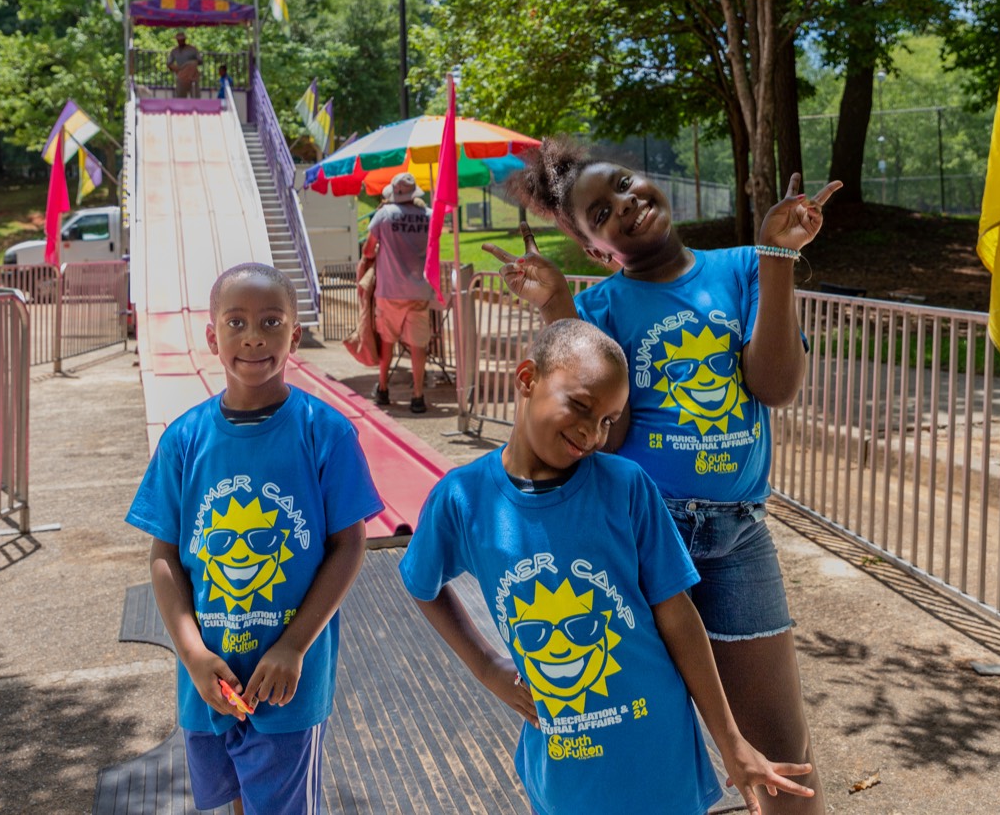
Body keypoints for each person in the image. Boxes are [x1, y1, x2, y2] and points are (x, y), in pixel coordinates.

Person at [482, 136, 841, 814]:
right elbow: (601, 439)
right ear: (594, 249)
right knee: (639, 750)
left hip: (738, 542)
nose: (624, 204)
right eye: (599, 214)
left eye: (623, 183)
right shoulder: (601, 312)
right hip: (640, 545)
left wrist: (780, 258)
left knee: (782, 761)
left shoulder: (743, 268)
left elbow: (774, 385)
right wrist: (560, 309)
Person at [400, 319, 813, 815]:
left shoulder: (627, 486)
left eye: (608, 421)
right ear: (527, 378)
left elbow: (678, 616)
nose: (592, 433)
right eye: (580, 406)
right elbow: (422, 582)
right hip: (564, 765)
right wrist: (486, 666)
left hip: (659, 753)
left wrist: (730, 739)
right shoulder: (462, 499)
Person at [125, 262, 384, 814]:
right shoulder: (184, 440)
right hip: (208, 683)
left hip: (287, 682)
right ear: (213, 335)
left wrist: (294, 645)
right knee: (236, 803)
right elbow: (165, 556)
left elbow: (349, 544)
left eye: (271, 322)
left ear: (295, 333)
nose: (253, 337)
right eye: (237, 322)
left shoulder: (326, 432)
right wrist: (192, 653)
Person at [360, 171, 435, 413]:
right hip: (419, 291)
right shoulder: (429, 216)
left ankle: (382, 388)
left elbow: (369, 250)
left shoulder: (384, 215)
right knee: (418, 345)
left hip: (389, 290)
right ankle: (418, 395)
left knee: (387, 340)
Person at [167, 31, 203, 97]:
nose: (180, 41)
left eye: (182, 40)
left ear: (185, 40)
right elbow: (169, 63)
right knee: (180, 97)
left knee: (195, 96)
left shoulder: (192, 49)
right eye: (179, 40)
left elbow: (200, 60)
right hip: (181, 77)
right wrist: (175, 68)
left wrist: (192, 64)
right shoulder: (174, 51)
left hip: (192, 77)